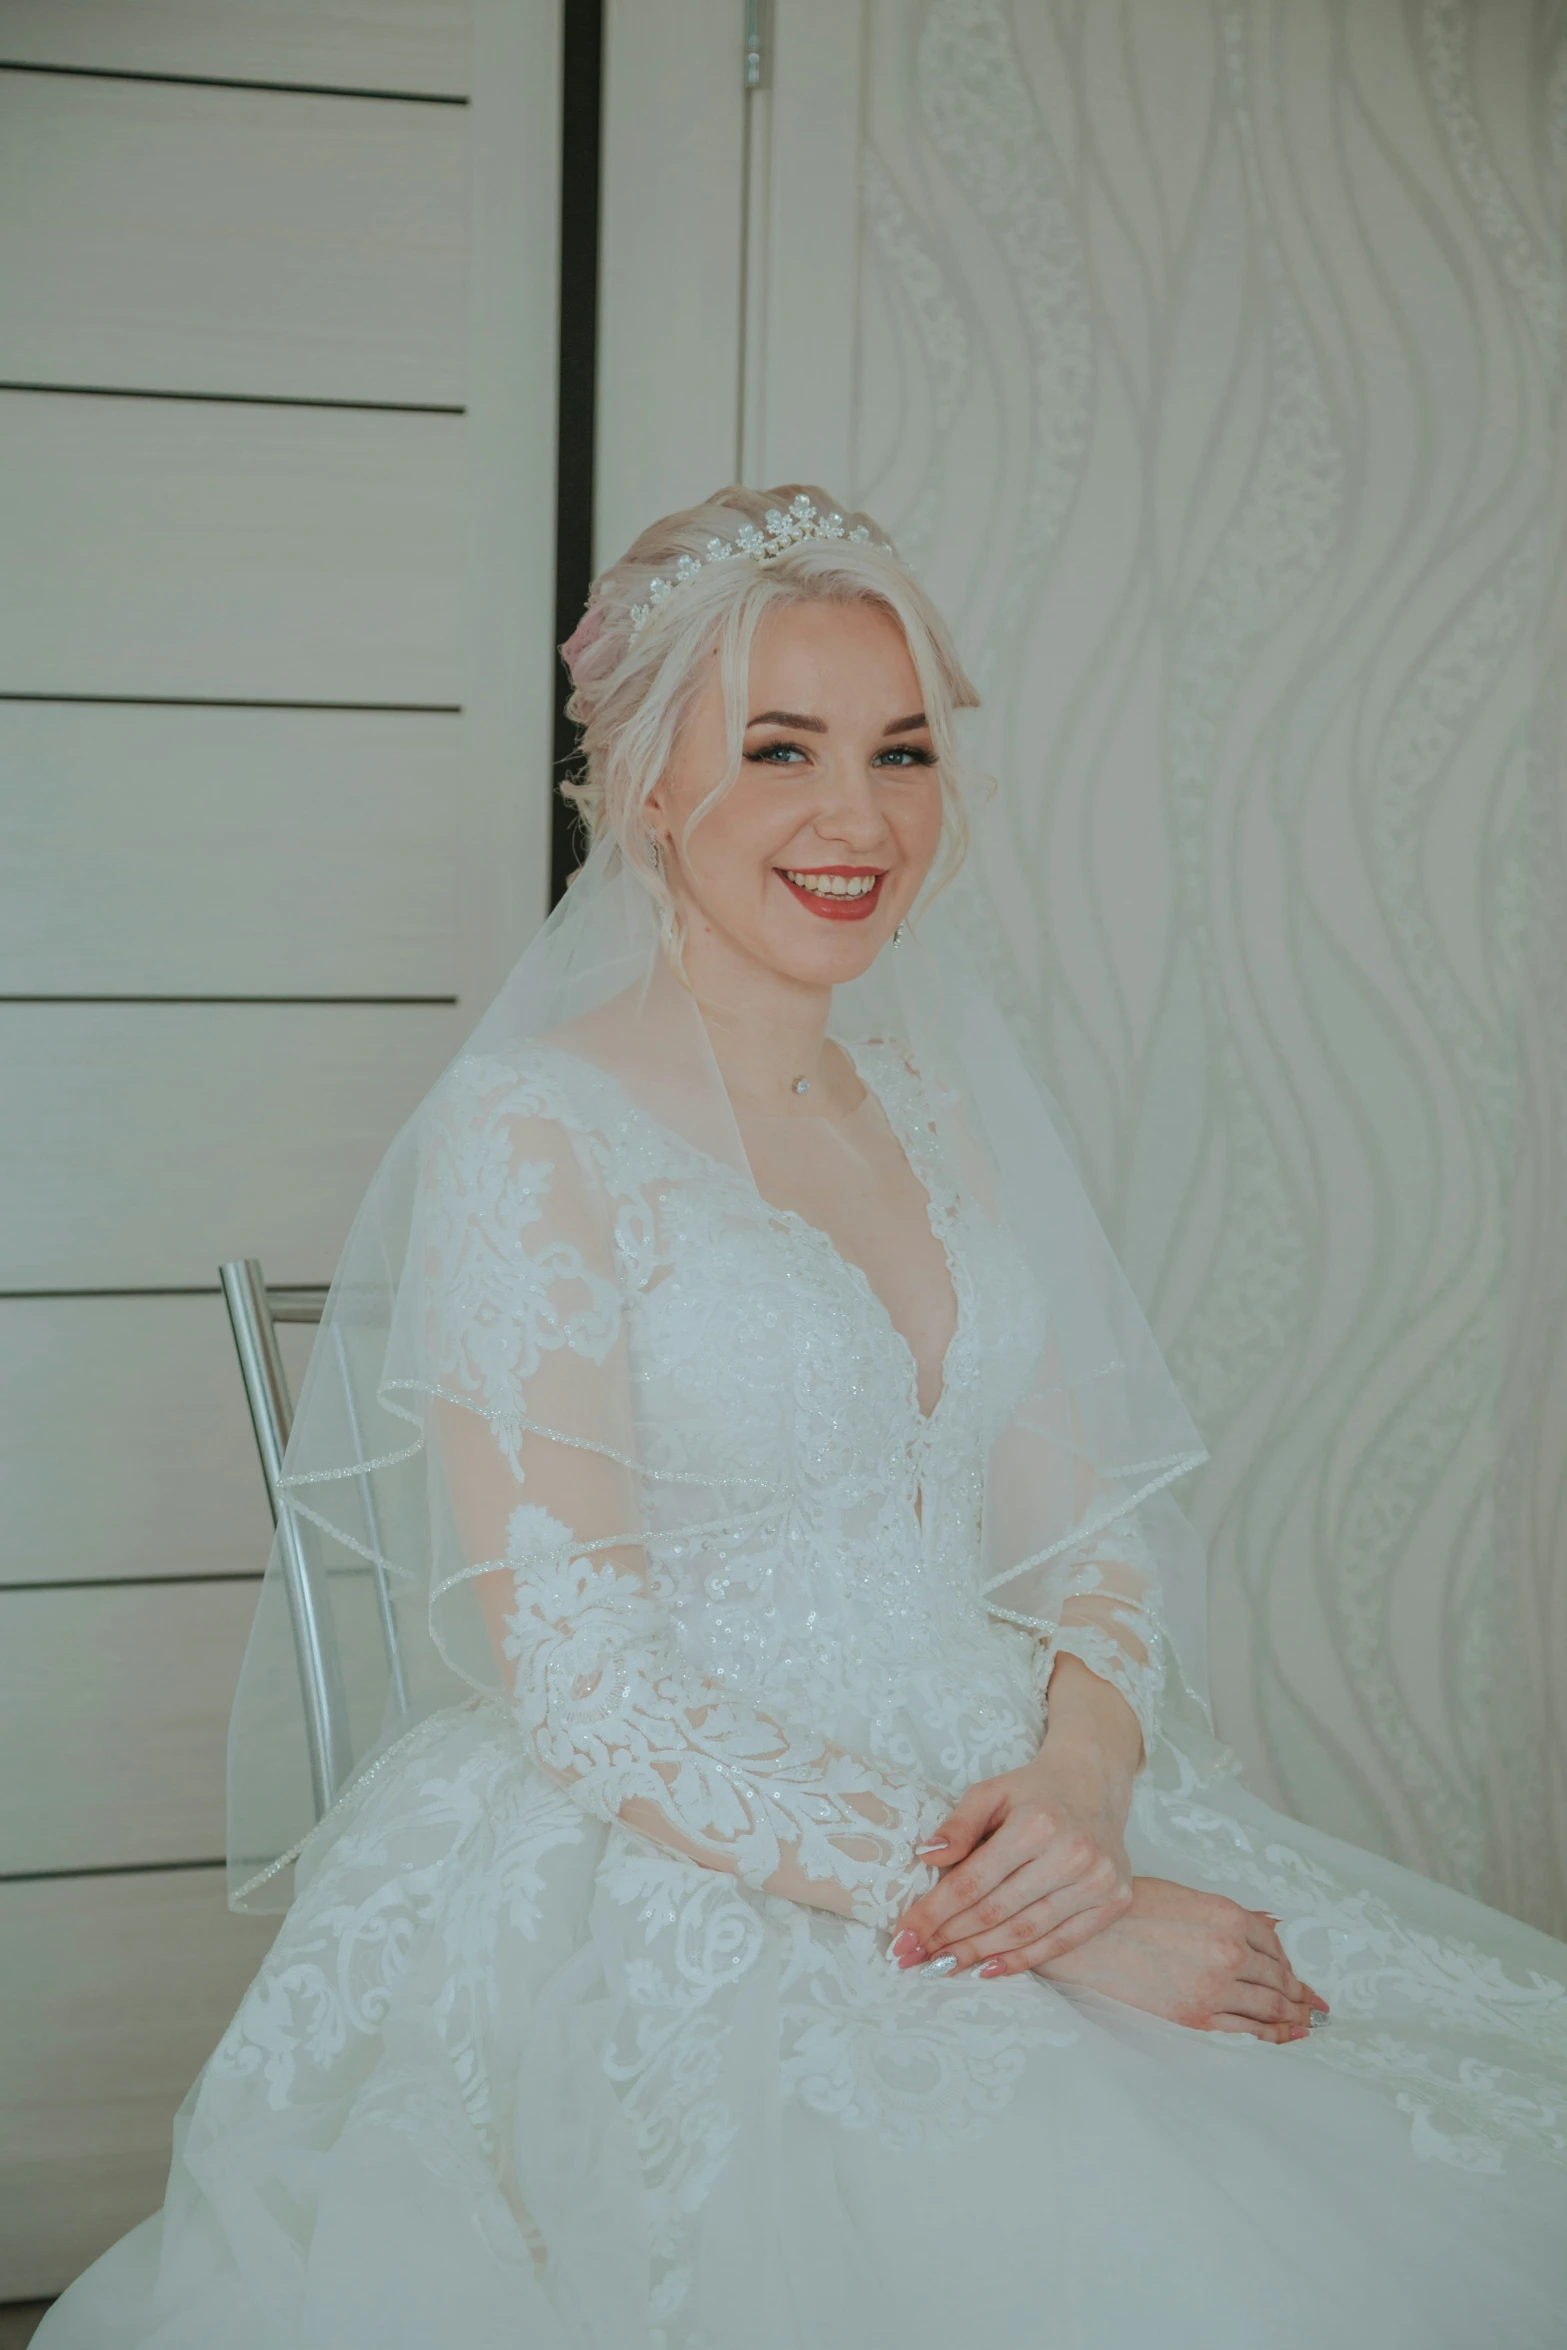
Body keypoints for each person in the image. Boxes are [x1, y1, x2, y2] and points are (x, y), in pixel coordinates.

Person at [40, 487, 1567, 2349]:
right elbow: (586, 1681)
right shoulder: (532, 1130)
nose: (860, 816)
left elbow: (1086, 1543)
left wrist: (1083, 1798)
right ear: (651, 786)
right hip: (683, 1833)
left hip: (1013, 1799)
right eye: (782, 749)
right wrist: (1068, 1925)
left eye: (901, 750)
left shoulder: (934, 1111)